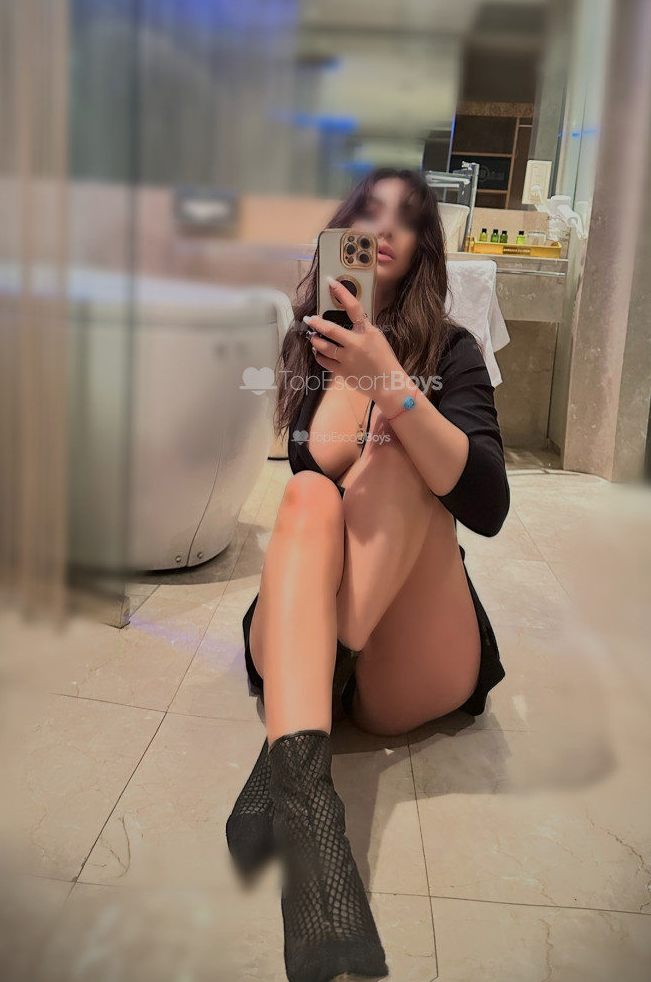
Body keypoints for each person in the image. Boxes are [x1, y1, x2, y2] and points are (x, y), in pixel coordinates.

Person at [225, 167, 510, 982]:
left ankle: (289, 748)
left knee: (403, 458)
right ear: (342, 230)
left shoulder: (451, 350)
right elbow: (314, 475)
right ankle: (311, 814)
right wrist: (352, 366)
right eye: (368, 212)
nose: (383, 228)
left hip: (402, 657)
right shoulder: (316, 343)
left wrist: (391, 383)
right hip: (312, 620)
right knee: (308, 494)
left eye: (405, 218)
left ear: (421, 249)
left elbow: (486, 505)